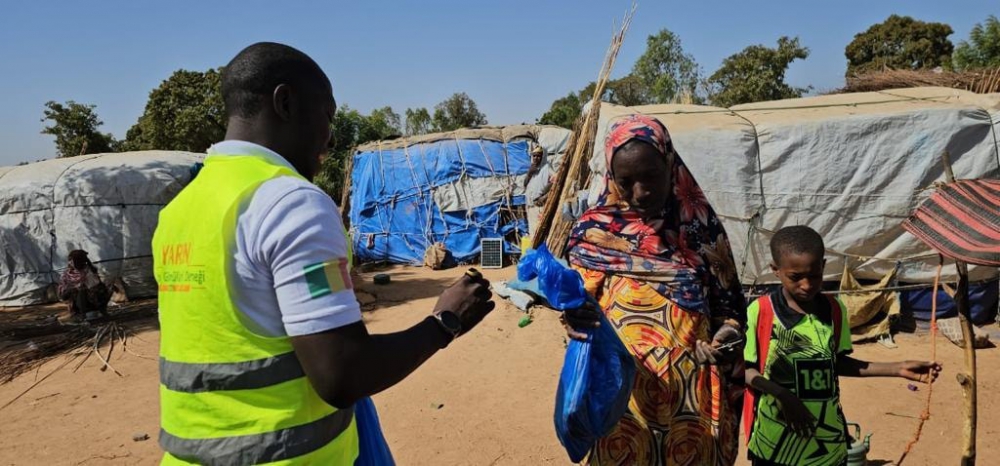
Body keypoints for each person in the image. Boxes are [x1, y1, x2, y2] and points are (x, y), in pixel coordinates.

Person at [152, 42, 495, 465]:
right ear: (285, 102)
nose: (331, 136)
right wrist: (445, 322)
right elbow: (342, 374)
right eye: (328, 115)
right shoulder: (290, 203)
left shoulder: (180, 208)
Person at [562, 114, 748, 465]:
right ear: (611, 178)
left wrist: (726, 336)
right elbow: (578, 309)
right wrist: (574, 319)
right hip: (621, 399)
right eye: (626, 181)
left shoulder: (701, 230)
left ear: (669, 163)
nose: (640, 192)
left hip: (691, 400)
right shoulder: (592, 235)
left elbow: (730, 309)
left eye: (651, 176)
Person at [743, 226, 942, 466]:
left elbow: (836, 363)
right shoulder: (762, 312)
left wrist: (898, 368)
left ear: (823, 266)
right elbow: (745, 369)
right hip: (775, 442)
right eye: (795, 277)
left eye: (814, 275)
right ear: (776, 271)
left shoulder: (834, 310)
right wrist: (782, 395)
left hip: (826, 440)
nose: (806, 285)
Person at [58, 250, 110, 322]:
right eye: (69, 260)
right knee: (75, 290)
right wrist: (72, 289)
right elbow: (63, 295)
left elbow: (96, 291)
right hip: (77, 304)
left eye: (72, 260)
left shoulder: (89, 272)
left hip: (92, 303)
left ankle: (84, 315)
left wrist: (81, 287)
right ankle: (77, 313)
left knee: (82, 290)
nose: (70, 263)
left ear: (78, 261)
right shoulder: (67, 274)